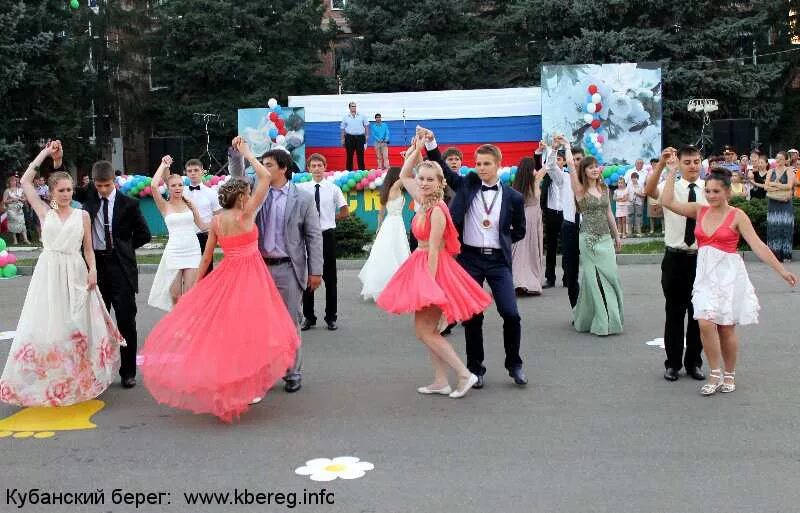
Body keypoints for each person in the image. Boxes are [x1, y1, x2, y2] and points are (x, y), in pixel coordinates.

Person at [139, 139, 300, 422]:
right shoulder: (247, 214)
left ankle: (234, 382)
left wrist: (196, 289)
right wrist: (248, 153)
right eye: (248, 192)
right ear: (241, 198)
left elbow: (205, 259)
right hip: (251, 277)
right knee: (253, 331)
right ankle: (248, 384)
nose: (252, 193)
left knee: (231, 332)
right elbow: (264, 176)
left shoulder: (216, 221)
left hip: (226, 276)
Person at [1, 141, 125, 407]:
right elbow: (25, 181)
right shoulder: (44, 212)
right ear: (52, 192)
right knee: (50, 324)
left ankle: (79, 377)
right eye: (62, 190)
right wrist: (47, 153)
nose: (67, 193)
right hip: (49, 273)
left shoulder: (82, 215)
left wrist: (92, 271)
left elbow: (89, 249)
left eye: (70, 189)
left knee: (77, 324)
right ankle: (51, 377)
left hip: (76, 271)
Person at [660, 166, 797, 395]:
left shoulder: (737, 215)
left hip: (727, 276)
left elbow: (758, 245)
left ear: (727, 193)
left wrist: (781, 271)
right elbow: (667, 202)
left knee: (725, 329)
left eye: (716, 191)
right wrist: (672, 172)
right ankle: (715, 372)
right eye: (708, 191)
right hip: (704, 275)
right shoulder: (699, 210)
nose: (711, 196)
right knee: (704, 321)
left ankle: (729, 373)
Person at [376, 137, 487, 398]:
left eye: (429, 179)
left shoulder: (437, 209)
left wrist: (432, 286)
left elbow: (436, 250)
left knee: (424, 331)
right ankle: (440, 380)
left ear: (440, 183)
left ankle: (463, 373)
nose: (423, 183)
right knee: (429, 331)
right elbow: (404, 175)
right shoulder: (421, 200)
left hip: (433, 270)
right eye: (422, 178)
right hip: (420, 265)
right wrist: (416, 151)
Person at [424, 128, 528, 388]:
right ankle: (475, 369)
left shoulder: (513, 197)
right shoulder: (468, 184)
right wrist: (431, 143)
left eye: (486, 163)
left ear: (498, 165)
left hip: (497, 262)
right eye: (478, 163)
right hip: (469, 260)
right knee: (472, 316)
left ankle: (514, 364)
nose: (481, 168)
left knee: (511, 313)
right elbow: (445, 172)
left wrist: (500, 241)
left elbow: (520, 230)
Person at [229, 138, 323, 394]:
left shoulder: (302, 198)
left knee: (289, 321)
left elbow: (314, 235)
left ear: (282, 168)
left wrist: (316, 271)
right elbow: (237, 176)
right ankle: (263, 371)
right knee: (258, 323)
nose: (262, 167)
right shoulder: (256, 192)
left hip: (288, 268)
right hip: (257, 267)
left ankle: (292, 373)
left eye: (268, 164)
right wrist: (237, 153)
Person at [73, 152, 152, 389]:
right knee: (96, 321)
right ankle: (97, 370)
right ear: (93, 183)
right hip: (95, 265)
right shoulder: (88, 195)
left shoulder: (129, 204)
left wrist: (124, 248)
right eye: (99, 186)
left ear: (114, 182)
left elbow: (144, 234)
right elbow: (55, 199)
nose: (103, 190)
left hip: (120, 267)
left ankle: (127, 372)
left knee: (126, 319)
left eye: (107, 185)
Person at [645, 145, 707, 382]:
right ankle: (673, 364)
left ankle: (694, 363)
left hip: (701, 258)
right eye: (688, 162)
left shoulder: (708, 189)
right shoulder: (671, 186)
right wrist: (663, 165)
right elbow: (649, 191)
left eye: (696, 161)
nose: (693, 166)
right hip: (675, 257)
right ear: (680, 164)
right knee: (674, 312)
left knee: (698, 314)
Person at [555, 136, 623, 336]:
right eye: (590, 167)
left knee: (611, 276)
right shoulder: (579, 189)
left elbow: (609, 213)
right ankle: (602, 319)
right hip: (588, 240)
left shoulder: (603, 189)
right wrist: (567, 147)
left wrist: (617, 236)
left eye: (596, 166)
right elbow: (569, 164)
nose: (594, 169)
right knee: (593, 279)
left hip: (605, 239)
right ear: (583, 171)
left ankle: (610, 315)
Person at [147, 156, 207, 311]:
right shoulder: (164, 206)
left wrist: (220, 224)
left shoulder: (190, 203)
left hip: (192, 250)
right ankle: (175, 327)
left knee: (189, 295)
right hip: (174, 251)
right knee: (175, 295)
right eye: (173, 185)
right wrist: (163, 164)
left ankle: (188, 329)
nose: (178, 188)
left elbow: (201, 225)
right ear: (168, 187)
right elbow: (153, 186)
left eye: (180, 184)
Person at [298, 153, 348, 331]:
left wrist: (329, 219)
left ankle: (331, 317)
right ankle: (309, 317)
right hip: (308, 237)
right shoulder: (302, 188)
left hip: (326, 234)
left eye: (320, 165)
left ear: (325, 167)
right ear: (309, 169)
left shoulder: (333, 189)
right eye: (314, 166)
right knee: (308, 275)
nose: (317, 169)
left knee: (330, 278)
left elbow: (345, 211)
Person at [359, 166, 410, 300]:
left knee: (390, 253)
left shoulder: (388, 190)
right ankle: (393, 287)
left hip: (391, 223)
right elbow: (407, 173)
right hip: (394, 224)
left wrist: (379, 227)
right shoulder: (394, 189)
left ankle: (392, 286)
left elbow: (380, 213)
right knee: (395, 253)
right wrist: (411, 156)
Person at [543, 143, 581, 309]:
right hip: (565, 222)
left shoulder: (592, 179)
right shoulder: (563, 178)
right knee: (556, 251)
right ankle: (552, 278)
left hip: (586, 227)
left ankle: (596, 305)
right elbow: (550, 166)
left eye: (580, 159)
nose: (576, 162)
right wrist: (554, 148)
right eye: (574, 159)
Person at [511, 157, 546, 295]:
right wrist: (553, 149)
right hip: (531, 220)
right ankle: (528, 282)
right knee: (531, 251)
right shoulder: (535, 181)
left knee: (520, 252)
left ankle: (519, 282)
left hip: (521, 219)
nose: (535, 170)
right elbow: (548, 166)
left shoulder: (517, 184)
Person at [183, 158, 221, 271]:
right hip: (186, 236)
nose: (193, 173)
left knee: (206, 271)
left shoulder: (212, 193)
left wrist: (208, 229)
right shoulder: (181, 192)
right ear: (186, 173)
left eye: (196, 170)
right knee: (187, 271)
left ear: (202, 171)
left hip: (204, 237)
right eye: (189, 171)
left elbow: (218, 217)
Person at [765, 151, 795, 262]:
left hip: (785, 203)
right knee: (773, 227)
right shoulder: (770, 171)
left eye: (781, 159)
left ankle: (786, 255)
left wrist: (774, 184)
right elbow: (766, 187)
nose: (778, 161)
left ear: (786, 160)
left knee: (785, 227)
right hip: (773, 203)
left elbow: (789, 186)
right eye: (777, 158)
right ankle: (773, 255)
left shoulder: (789, 170)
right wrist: (779, 186)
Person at [540, 150, 564, 289]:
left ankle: (568, 277)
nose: (557, 162)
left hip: (565, 214)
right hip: (551, 214)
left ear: (565, 161)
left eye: (560, 159)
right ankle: (550, 278)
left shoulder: (568, 176)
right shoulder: (548, 176)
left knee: (567, 247)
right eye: (556, 159)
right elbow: (539, 167)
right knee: (551, 247)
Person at [341, 101, 369, 171]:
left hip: (360, 137)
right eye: (352, 106)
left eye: (355, 106)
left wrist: (367, 135)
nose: (354, 108)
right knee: (349, 155)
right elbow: (343, 128)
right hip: (349, 137)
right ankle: (349, 171)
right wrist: (342, 139)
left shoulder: (362, 115)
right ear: (349, 108)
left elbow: (366, 126)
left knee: (360, 156)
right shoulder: (345, 117)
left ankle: (362, 171)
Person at [3, 175, 30, 245]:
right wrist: (12, 200)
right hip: (11, 210)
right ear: (9, 182)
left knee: (22, 223)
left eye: (14, 181)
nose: (13, 182)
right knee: (13, 224)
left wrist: (20, 199)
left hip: (19, 209)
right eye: (11, 181)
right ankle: (15, 240)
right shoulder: (7, 191)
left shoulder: (20, 190)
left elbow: (25, 199)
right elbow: (4, 201)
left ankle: (25, 239)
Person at [646, 158, 664, 234]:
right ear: (651, 164)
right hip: (651, 195)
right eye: (653, 164)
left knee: (661, 213)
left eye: (656, 163)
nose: (654, 165)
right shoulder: (649, 174)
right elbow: (647, 184)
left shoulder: (662, 173)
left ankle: (663, 229)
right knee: (651, 213)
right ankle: (652, 229)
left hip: (660, 194)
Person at [628, 172, 645, 236]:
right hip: (630, 203)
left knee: (638, 217)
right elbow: (627, 194)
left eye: (635, 178)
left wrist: (638, 194)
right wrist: (629, 199)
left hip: (638, 203)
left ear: (637, 178)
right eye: (632, 178)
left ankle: (639, 231)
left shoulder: (641, 185)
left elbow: (644, 195)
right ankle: (629, 231)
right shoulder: (629, 185)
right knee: (630, 217)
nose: (633, 179)